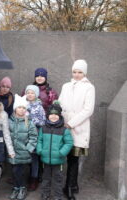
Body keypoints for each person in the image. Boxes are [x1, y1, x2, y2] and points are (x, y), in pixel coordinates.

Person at [59, 59, 95, 200]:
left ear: (84, 73)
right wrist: (60, 118)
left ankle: (69, 187)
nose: (77, 74)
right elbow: (60, 103)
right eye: (74, 71)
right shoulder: (66, 86)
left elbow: (88, 110)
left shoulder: (89, 87)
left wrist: (71, 123)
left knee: (73, 159)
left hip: (78, 128)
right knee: (65, 157)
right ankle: (72, 184)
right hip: (63, 126)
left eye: (80, 72)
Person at [37, 102, 73, 200]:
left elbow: (69, 143)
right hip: (45, 159)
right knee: (46, 178)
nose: (53, 116)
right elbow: (39, 140)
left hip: (58, 160)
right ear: (48, 116)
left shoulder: (64, 130)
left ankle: (58, 196)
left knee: (58, 179)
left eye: (56, 115)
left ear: (59, 116)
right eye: (51, 114)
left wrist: (62, 153)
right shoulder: (43, 128)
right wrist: (40, 150)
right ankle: (45, 194)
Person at [8, 94, 38, 200]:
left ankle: (22, 188)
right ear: (15, 109)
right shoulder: (10, 121)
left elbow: (34, 137)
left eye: (24, 108)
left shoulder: (29, 123)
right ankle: (16, 188)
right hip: (13, 152)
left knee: (20, 171)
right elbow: (6, 135)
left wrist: (28, 148)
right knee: (14, 171)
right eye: (19, 107)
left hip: (24, 152)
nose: (21, 110)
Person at [24, 85, 46, 191]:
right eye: (28, 92)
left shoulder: (39, 107)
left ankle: (34, 179)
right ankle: (23, 178)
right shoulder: (23, 104)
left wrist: (31, 120)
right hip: (23, 136)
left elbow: (43, 122)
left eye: (32, 93)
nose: (30, 94)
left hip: (35, 137)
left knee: (34, 159)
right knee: (24, 157)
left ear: (36, 94)